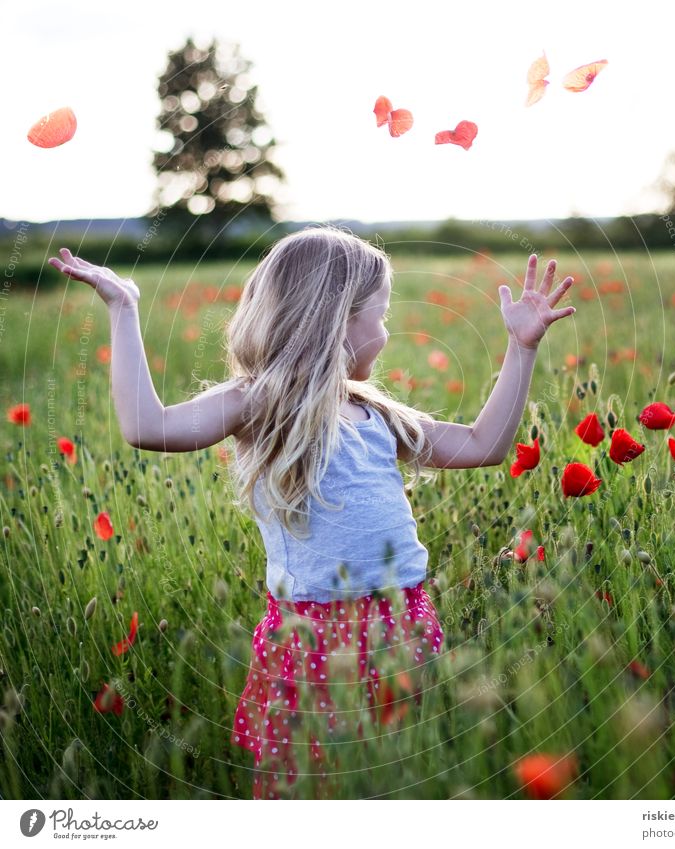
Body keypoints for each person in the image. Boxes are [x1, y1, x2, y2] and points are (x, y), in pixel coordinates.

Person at [48, 226, 576, 799]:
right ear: (338, 319)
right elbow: (147, 427)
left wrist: (522, 348)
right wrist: (124, 310)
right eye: (380, 315)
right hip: (313, 635)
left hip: (402, 621)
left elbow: (482, 445)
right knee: (311, 787)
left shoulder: (375, 414)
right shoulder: (260, 405)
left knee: (398, 777)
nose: (387, 330)